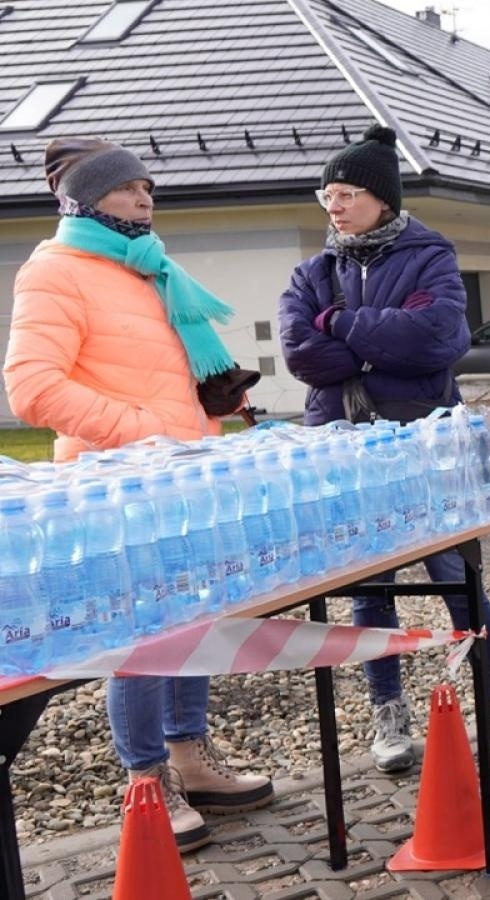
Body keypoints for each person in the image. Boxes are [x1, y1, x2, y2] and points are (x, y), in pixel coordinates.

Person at [4, 138, 273, 851]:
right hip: (116, 487)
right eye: (127, 188)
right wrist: (146, 432)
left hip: (181, 476)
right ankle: (147, 782)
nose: (144, 198)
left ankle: (191, 758)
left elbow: (151, 368)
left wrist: (207, 398)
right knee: (142, 633)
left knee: (195, 617)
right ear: (85, 202)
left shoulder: (149, 266)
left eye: (147, 187)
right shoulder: (55, 271)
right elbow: (32, 387)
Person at [277, 124, 490, 774]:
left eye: (347, 194)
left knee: (457, 579)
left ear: (382, 198)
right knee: (371, 587)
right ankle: (388, 713)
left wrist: (342, 326)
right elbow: (302, 354)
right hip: (345, 449)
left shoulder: (430, 255)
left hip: (426, 446)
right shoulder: (312, 272)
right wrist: (380, 343)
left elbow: (438, 337)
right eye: (328, 195)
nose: (334, 206)